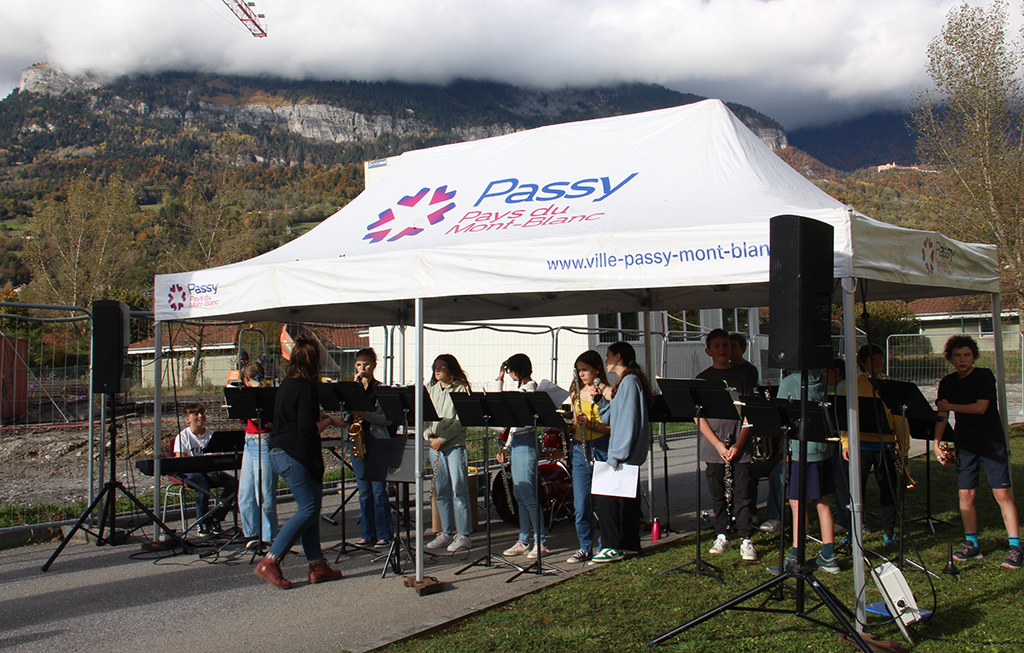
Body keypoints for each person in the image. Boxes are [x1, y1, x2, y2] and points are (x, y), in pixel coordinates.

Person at [254, 336, 346, 589]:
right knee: (307, 510)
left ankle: (317, 565)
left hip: (279, 451)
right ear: (315, 362)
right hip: (296, 454)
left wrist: (322, 415)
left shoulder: (287, 383)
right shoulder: (305, 387)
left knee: (311, 510)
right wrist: (330, 421)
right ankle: (271, 560)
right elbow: (306, 430)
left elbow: (295, 417)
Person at [932, 335, 1021, 569]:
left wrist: (948, 406)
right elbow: (942, 414)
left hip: (992, 444)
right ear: (950, 359)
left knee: (1003, 495)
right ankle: (972, 544)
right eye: (958, 356)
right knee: (965, 496)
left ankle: (1015, 547)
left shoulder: (984, 376)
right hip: (965, 446)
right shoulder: (947, 382)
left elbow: (981, 408)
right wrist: (936, 442)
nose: (962, 360)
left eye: (967, 355)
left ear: (974, 356)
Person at [771, 370, 839, 574]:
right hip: (821, 447)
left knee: (797, 503)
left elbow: (779, 414)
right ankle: (828, 553)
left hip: (804, 450)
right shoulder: (820, 378)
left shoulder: (791, 382)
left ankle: (796, 555)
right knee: (821, 500)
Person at [698, 328, 757, 562]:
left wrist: (739, 444)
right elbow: (698, 417)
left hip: (739, 445)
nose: (723, 350)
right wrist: (718, 445)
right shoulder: (703, 378)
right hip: (714, 447)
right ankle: (721, 533)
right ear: (709, 351)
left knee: (742, 494)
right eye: (718, 346)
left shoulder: (743, 377)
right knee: (718, 494)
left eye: (726, 345)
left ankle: (746, 537)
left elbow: (749, 414)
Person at [591, 341, 652, 563]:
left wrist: (616, 456)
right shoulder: (624, 383)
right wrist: (600, 400)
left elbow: (627, 421)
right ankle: (629, 544)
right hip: (625, 454)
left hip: (622, 454)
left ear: (618, 357)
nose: (605, 361)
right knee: (626, 501)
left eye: (607, 356)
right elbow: (610, 417)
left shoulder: (629, 382)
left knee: (607, 499)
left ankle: (611, 545)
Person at [839, 344, 905, 546]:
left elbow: (899, 418)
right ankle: (853, 530)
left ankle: (889, 531)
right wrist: (846, 442)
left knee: (888, 489)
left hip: (885, 446)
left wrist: (903, 447)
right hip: (861, 445)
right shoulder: (854, 384)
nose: (877, 363)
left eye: (880, 358)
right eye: (872, 359)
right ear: (861, 362)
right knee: (856, 491)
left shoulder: (888, 384)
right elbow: (845, 415)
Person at [495, 354, 548, 559]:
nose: (508, 375)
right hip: (517, 443)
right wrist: (507, 446)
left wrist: (509, 443)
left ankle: (540, 541)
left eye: (509, 371)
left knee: (527, 494)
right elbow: (511, 423)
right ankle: (524, 538)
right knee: (519, 493)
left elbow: (521, 423)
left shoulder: (529, 390)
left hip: (526, 443)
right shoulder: (521, 390)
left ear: (517, 371)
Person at [566, 350, 612, 564]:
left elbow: (613, 427)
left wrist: (592, 424)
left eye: (585, 369)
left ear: (597, 370)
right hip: (579, 448)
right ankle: (585, 546)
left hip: (601, 446)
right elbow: (576, 422)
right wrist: (571, 425)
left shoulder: (607, 392)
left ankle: (605, 544)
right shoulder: (575, 391)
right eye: (579, 370)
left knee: (601, 500)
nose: (581, 374)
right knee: (581, 501)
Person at [424, 354, 473, 553]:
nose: (437, 369)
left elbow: (461, 420)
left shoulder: (462, 390)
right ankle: (446, 531)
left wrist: (442, 439)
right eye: (435, 366)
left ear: (451, 369)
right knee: (440, 490)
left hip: (453, 445)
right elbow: (424, 416)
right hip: (434, 446)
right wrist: (429, 436)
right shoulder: (430, 389)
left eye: (441, 366)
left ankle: (464, 534)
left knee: (459, 489)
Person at [350, 348, 395, 547]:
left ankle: (385, 534)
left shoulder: (381, 389)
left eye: (366, 364)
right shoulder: (354, 388)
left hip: (377, 440)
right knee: (364, 491)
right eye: (359, 365)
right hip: (357, 441)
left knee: (378, 491)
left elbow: (387, 420)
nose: (362, 368)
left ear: (374, 366)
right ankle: (367, 534)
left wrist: (364, 414)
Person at [172, 402, 238, 536]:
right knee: (202, 485)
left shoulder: (212, 436)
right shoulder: (183, 437)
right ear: (187, 419)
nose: (200, 416)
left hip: (210, 471)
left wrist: (215, 471)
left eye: (202, 413)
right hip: (191, 472)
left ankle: (216, 518)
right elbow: (183, 462)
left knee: (234, 484)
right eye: (196, 414)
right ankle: (202, 522)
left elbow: (216, 459)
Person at [237, 361, 278, 549]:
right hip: (249, 440)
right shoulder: (245, 393)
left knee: (265, 493)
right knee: (245, 492)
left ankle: (269, 536)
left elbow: (265, 420)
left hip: (263, 441)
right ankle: (251, 533)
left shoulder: (267, 393)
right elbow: (243, 417)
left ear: (246, 379)